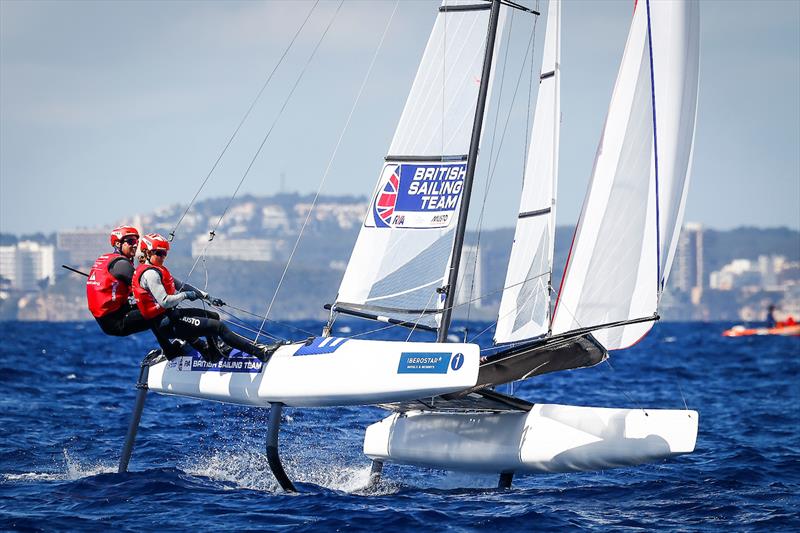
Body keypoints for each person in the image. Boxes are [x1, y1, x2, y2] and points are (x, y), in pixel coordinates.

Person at [132, 233, 277, 363]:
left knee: (213, 315)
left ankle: (213, 354)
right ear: (147, 252)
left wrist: (208, 297)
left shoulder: (159, 270)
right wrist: (185, 296)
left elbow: (183, 285)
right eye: (159, 253)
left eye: (165, 254)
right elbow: (165, 301)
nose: (163, 257)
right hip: (166, 324)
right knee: (218, 327)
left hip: (172, 317)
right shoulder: (150, 274)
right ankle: (260, 353)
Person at [87, 225, 153, 337]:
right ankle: (170, 350)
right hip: (117, 321)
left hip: (109, 318)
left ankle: (169, 350)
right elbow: (146, 286)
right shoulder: (122, 264)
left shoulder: (107, 259)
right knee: (159, 311)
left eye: (137, 241)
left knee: (154, 308)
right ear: (118, 244)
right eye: (131, 241)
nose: (135, 244)